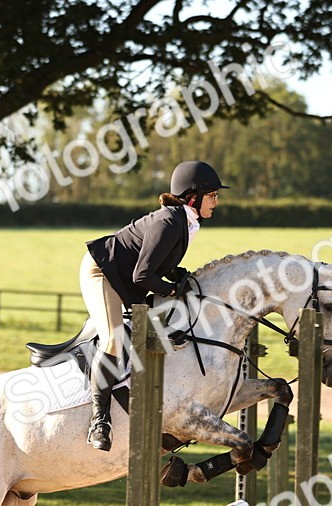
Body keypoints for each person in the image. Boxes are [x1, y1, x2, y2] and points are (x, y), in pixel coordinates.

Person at [78, 160, 228, 451]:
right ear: (193, 197)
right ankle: (100, 420)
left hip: (125, 276)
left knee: (169, 329)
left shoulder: (185, 221)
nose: (217, 202)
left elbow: (152, 262)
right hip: (102, 272)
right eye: (213, 195)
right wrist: (171, 288)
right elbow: (142, 275)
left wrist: (174, 275)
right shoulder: (170, 222)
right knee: (113, 338)